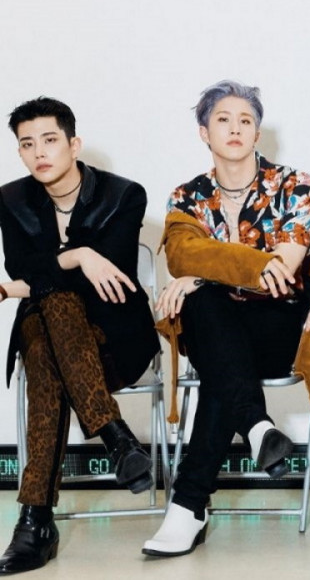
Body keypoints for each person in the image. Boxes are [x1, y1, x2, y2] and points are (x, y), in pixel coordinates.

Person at [142, 80, 310, 557]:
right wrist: (206, 272)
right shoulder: (185, 196)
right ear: (204, 132)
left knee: (208, 319)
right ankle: (255, 428)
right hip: (218, 333)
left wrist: (202, 272)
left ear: (257, 132)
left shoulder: (295, 184)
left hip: (280, 327)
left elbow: (282, 271)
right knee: (208, 313)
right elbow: (180, 254)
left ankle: (189, 506)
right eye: (223, 119)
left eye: (245, 120)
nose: (235, 128)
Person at [0, 97, 159, 575]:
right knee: (47, 327)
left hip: (115, 340)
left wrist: (28, 282)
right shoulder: (10, 200)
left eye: (49, 140)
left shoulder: (125, 195)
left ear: (74, 144)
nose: (39, 153)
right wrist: (77, 256)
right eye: (27, 144)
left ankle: (35, 523)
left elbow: (108, 276)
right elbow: (20, 268)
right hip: (48, 338)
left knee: (53, 308)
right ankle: (116, 438)